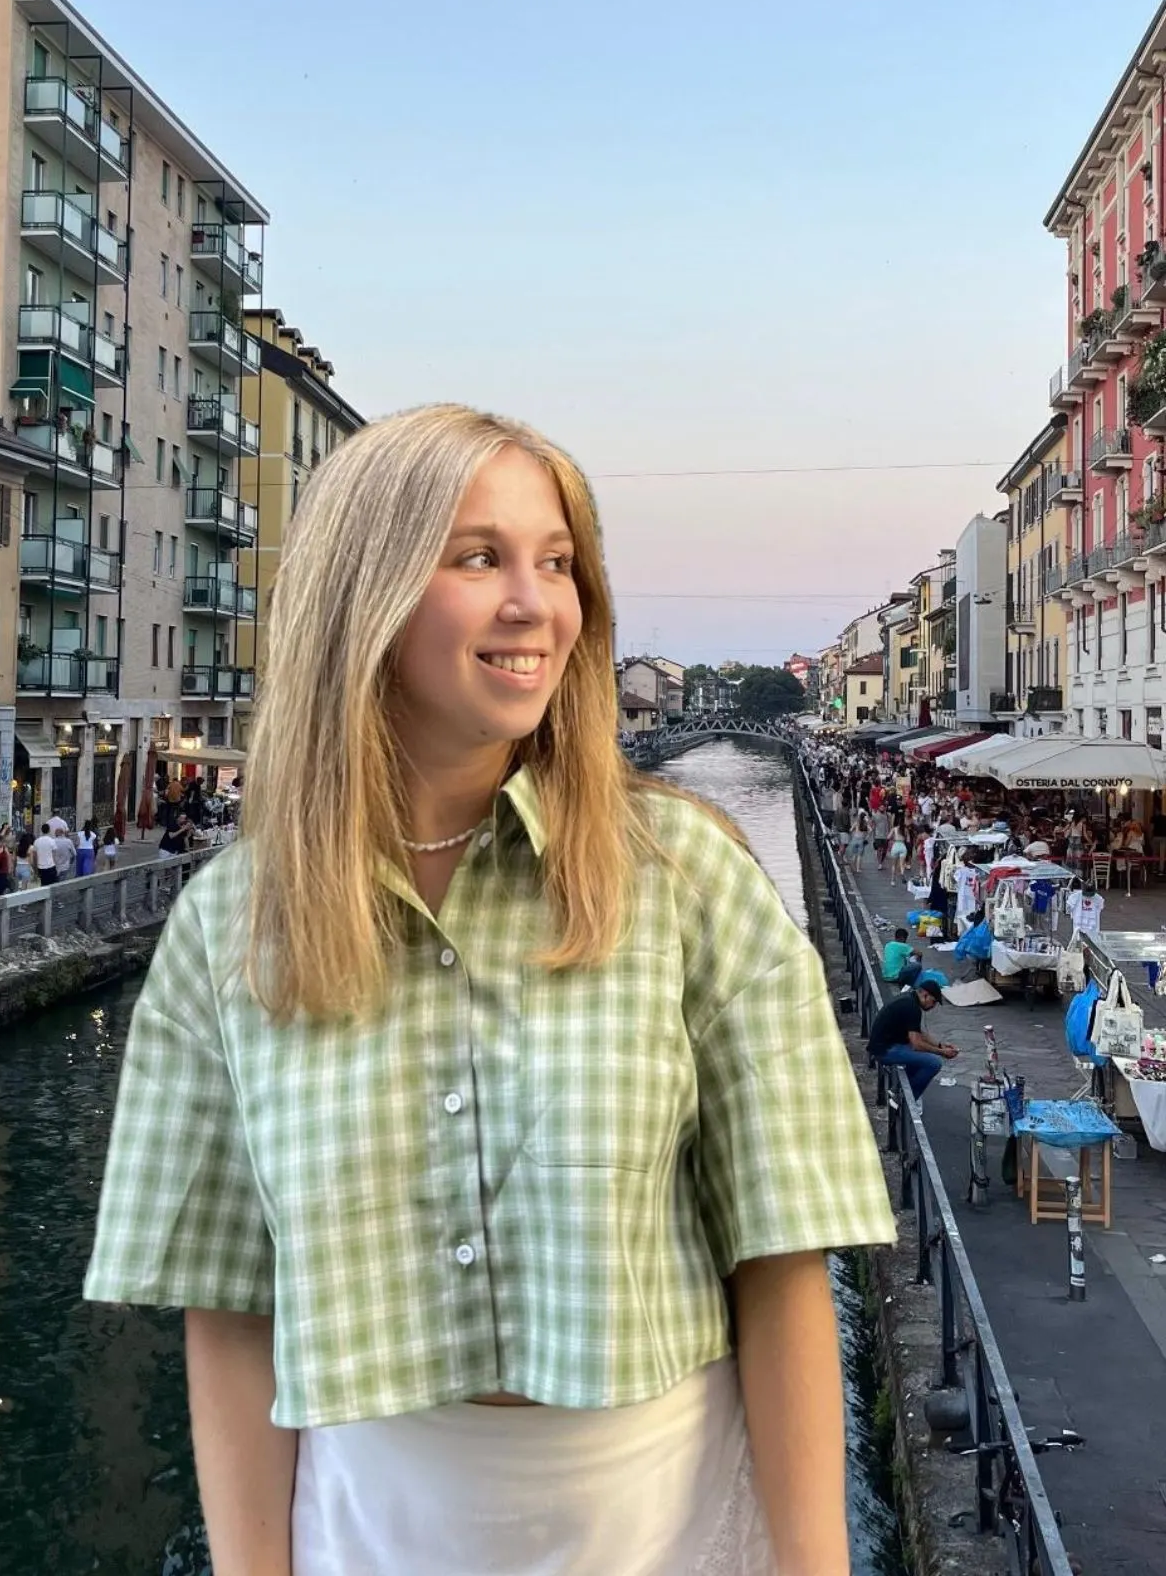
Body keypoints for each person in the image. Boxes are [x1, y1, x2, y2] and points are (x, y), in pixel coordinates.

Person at [85, 404, 896, 1576]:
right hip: (366, 1527)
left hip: (669, 1520)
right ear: (361, 592)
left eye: (557, 564)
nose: (535, 604)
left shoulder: (686, 878)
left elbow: (780, 1262)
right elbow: (227, 1303)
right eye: (479, 558)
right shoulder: (231, 921)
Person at [868, 974, 957, 1103]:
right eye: (933, 1001)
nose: (933, 1006)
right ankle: (904, 1099)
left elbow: (918, 1032)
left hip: (885, 1045)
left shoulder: (909, 1000)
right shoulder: (912, 1008)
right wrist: (942, 1053)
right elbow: (916, 1043)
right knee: (934, 1063)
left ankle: (899, 1090)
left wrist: (940, 1045)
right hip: (885, 1050)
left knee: (922, 1056)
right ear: (925, 995)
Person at [31, 820, 59, 886]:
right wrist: (56, 866)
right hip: (51, 866)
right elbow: (54, 855)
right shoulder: (52, 841)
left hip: (41, 867)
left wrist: (35, 869)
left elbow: (34, 856)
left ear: (41, 830)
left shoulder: (36, 841)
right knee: (52, 885)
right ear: (49, 830)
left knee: (43, 884)